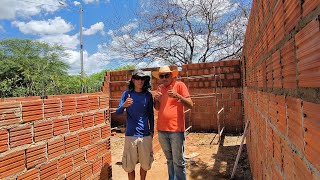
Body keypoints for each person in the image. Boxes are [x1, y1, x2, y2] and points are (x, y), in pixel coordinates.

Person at [152, 66, 193, 180]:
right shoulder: (160, 88)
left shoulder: (179, 85)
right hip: (161, 130)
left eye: (166, 75)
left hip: (176, 130)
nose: (164, 78)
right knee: (169, 160)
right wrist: (156, 100)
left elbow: (190, 104)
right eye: (162, 76)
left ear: (172, 75)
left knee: (178, 162)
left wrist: (177, 96)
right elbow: (157, 108)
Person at [116, 69, 154, 180]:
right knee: (129, 165)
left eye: (142, 78)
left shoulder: (148, 95)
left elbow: (151, 114)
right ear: (133, 80)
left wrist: (152, 130)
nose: (140, 81)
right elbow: (117, 112)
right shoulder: (127, 94)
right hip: (130, 134)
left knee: (145, 164)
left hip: (145, 135)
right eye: (137, 78)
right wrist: (124, 105)